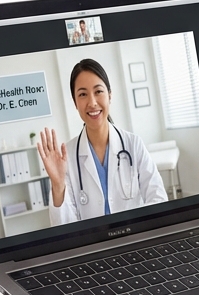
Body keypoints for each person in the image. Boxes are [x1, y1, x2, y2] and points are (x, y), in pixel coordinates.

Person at [37, 58, 167, 223]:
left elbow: (158, 199)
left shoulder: (133, 144)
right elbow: (64, 228)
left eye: (98, 91)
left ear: (109, 95)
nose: (92, 103)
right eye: (83, 94)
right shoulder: (66, 157)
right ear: (75, 103)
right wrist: (58, 185)